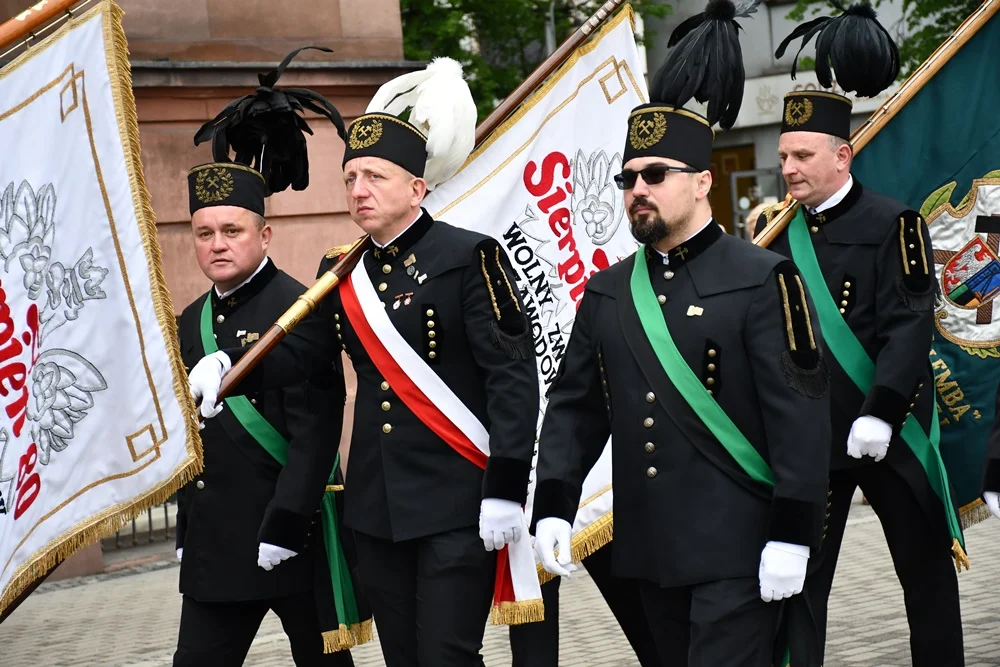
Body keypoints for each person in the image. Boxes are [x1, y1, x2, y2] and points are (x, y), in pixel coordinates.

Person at [187, 57, 543, 667]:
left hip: (458, 497)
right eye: (351, 176)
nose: (359, 190)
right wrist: (229, 365)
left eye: (375, 176)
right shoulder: (340, 270)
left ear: (416, 188)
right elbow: (304, 352)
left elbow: (512, 377)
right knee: (404, 657)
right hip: (377, 506)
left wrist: (506, 487)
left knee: (446, 656)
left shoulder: (469, 257)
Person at [531, 3, 831, 665]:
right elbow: (576, 409)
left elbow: (801, 417)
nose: (637, 189)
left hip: (738, 547)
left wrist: (793, 530)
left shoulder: (763, 277)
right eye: (628, 178)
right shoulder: (608, 290)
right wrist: (553, 502)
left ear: (702, 182)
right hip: (650, 552)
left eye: (655, 175)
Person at [755, 5, 966, 665]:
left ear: (842, 155)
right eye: (783, 156)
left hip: (887, 427)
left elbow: (910, 323)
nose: (789, 167)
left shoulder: (894, 222)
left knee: (926, 577)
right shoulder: (774, 236)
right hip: (813, 437)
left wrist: (881, 411)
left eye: (802, 155)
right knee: (798, 585)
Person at [173, 47, 369, 666]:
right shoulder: (189, 320)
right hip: (216, 544)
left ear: (264, 234)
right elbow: (194, 436)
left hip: (287, 534)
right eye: (205, 233)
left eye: (232, 231)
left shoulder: (300, 307)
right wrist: (186, 523)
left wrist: (287, 518)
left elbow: (317, 425)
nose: (217, 245)